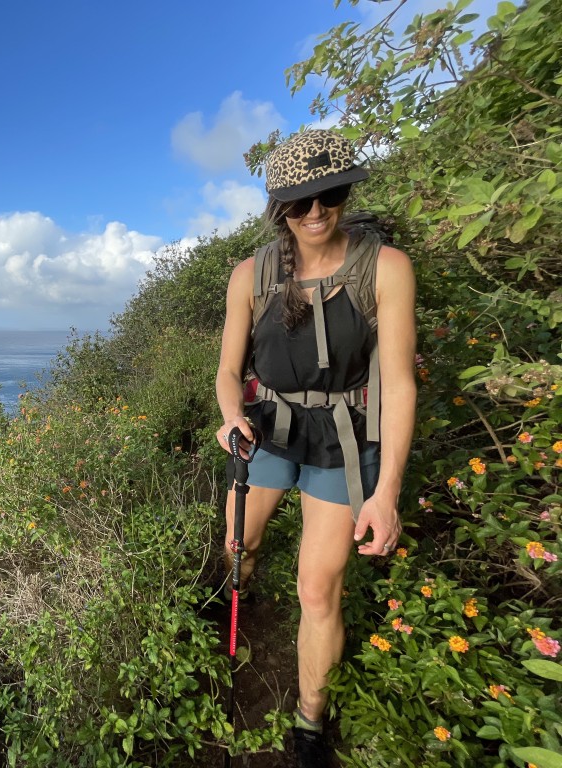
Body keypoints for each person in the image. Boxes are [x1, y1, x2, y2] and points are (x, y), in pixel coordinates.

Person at [214, 129, 417, 766]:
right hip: (269, 425)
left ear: (344, 191)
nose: (315, 212)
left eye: (327, 194)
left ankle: (308, 724)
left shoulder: (385, 267)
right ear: (279, 210)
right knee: (236, 543)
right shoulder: (252, 275)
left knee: (316, 591)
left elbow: (401, 385)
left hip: (345, 439)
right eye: (298, 203)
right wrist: (229, 418)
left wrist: (385, 496)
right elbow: (226, 372)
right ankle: (231, 596)